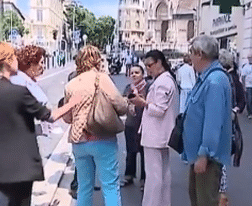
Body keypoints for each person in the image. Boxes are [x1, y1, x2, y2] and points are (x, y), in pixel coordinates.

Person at [0, 41, 80, 206]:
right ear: (7, 61)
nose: (16, 61)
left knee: (15, 200)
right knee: (20, 201)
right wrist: (72, 103)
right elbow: (49, 116)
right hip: (20, 166)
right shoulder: (18, 92)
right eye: (13, 57)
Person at [63, 45, 128, 206]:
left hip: (79, 140)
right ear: (97, 60)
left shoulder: (71, 84)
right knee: (110, 186)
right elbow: (121, 106)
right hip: (103, 138)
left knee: (84, 188)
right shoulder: (102, 78)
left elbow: (67, 117)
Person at [182, 36, 232, 206]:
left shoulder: (214, 81)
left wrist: (204, 154)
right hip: (199, 155)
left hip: (207, 158)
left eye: (191, 54)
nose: (190, 59)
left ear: (200, 54)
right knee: (197, 198)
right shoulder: (207, 78)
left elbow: (213, 123)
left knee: (205, 201)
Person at [129, 50, 179, 206]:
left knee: (154, 177)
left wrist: (142, 103)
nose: (148, 69)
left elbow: (159, 110)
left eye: (150, 65)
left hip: (155, 135)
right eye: (146, 66)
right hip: (160, 134)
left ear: (159, 62)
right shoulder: (166, 80)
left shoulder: (163, 82)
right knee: (162, 174)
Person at [218, 49, 246, 205]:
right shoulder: (233, 77)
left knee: (221, 153)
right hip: (229, 121)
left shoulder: (229, 78)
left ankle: (221, 188)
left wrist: (232, 111)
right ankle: (221, 187)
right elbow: (242, 102)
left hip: (225, 122)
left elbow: (241, 101)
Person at [10, 45, 53, 135]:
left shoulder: (18, 77)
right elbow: (42, 104)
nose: (43, 66)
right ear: (31, 64)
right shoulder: (23, 81)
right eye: (41, 62)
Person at [121, 64, 150, 190]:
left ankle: (144, 179)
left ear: (142, 74)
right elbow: (122, 102)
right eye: (132, 73)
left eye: (137, 72)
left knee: (144, 153)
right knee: (130, 151)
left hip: (144, 124)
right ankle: (129, 175)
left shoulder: (148, 87)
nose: (134, 75)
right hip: (131, 124)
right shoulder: (128, 88)